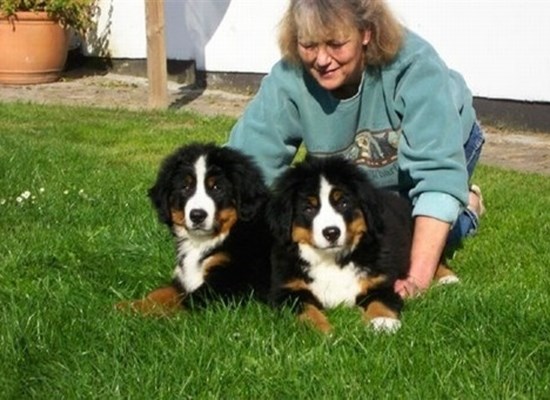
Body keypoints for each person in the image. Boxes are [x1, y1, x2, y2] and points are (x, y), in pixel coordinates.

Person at [226, 0, 485, 298]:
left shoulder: (414, 65)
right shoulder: (290, 76)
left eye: (336, 43)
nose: (322, 59)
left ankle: (467, 208)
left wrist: (414, 279)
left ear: (366, 33)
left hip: (443, 145)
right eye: (308, 44)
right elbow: (245, 167)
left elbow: (436, 173)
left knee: (404, 231)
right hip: (354, 174)